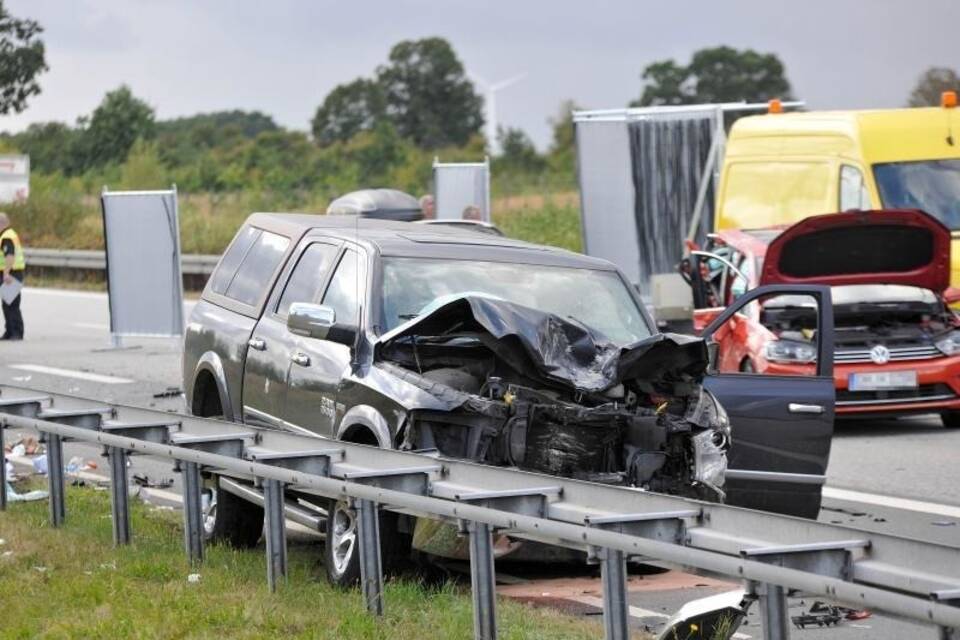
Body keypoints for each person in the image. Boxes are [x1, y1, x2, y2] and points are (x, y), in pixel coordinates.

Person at [0, 212, 25, 340]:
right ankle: (9, 331)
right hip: (12, 272)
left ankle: (16, 332)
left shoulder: (7, 237)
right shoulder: (8, 235)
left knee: (12, 304)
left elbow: (9, 256)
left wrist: (6, 273)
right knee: (7, 303)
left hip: (11, 274)